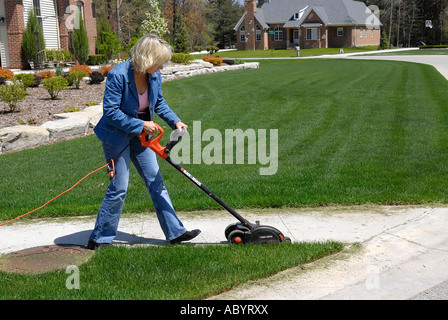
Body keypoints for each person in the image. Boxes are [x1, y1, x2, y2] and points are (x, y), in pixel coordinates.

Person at [87, 34, 201, 249]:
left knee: (156, 181)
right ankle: (99, 238)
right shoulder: (118, 75)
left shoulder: (154, 76)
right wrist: (140, 125)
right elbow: (110, 112)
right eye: (159, 62)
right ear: (147, 59)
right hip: (117, 135)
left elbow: (158, 102)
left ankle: (175, 233)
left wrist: (175, 121)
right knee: (119, 187)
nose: (162, 67)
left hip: (143, 138)